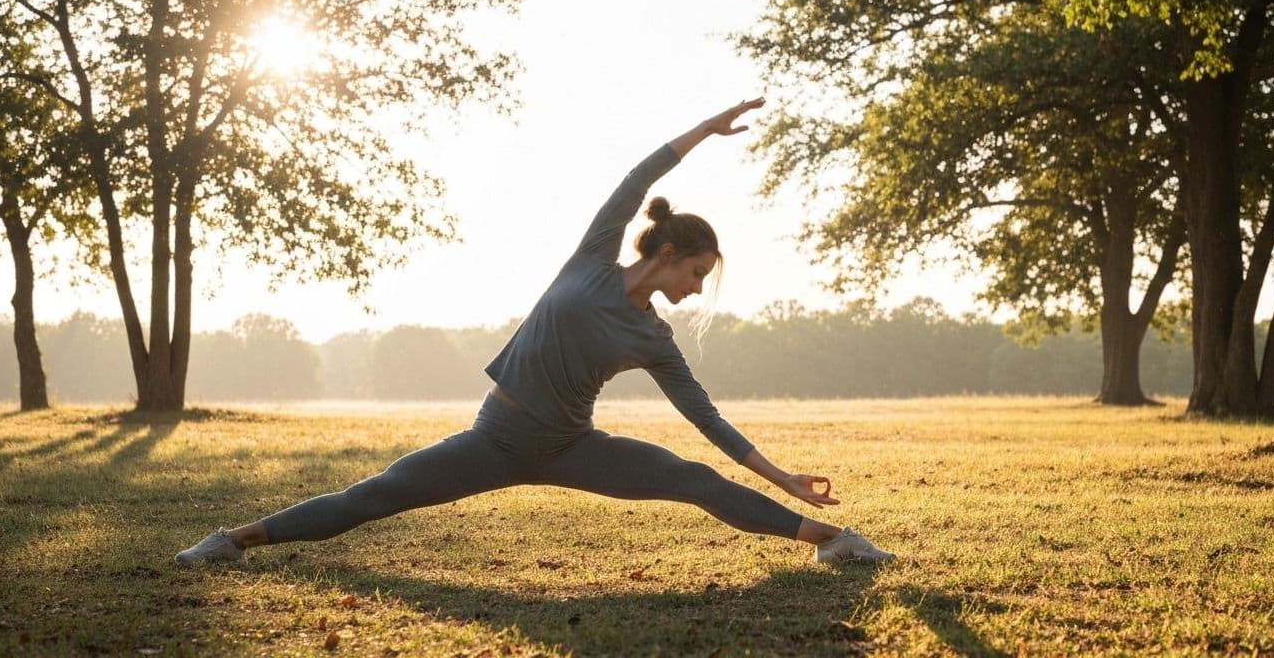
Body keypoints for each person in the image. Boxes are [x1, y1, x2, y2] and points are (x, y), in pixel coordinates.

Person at [175, 97, 895, 567]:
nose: (698, 288)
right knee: (377, 495)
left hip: (573, 446)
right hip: (495, 438)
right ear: (669, 254)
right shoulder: (592, 259)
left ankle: (832, 542)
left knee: (693, 479)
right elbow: (637, 177)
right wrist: (706, 130)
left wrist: (783, 478)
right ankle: (232, 541)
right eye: (697, 273)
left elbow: (705, 418)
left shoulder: (655, 338)